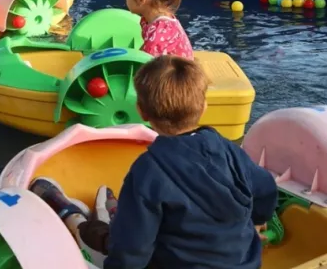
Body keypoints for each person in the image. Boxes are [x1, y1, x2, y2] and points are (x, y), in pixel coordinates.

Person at [30, 56, 277, 269]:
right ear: (203, 107)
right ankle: (110, 213)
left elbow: (132, 249)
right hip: (244, 263)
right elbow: (265, 188)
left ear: (141, 111)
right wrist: (257, 221)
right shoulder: (229, 151)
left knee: (99, 235)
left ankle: (75, 218)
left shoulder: (148, 171)